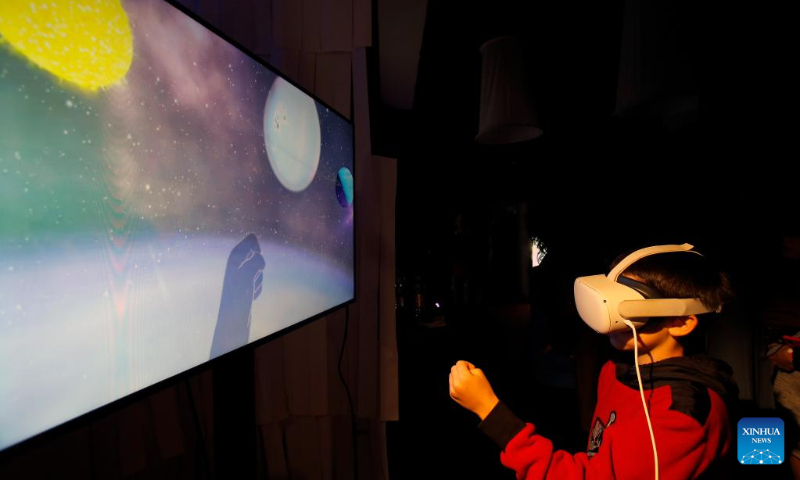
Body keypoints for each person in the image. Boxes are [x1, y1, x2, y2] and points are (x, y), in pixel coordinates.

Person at [449, 244, 738, 479]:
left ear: (681, 322)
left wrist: (490, 411)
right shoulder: (618, 370)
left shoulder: (681, 416)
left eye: (627, 300)